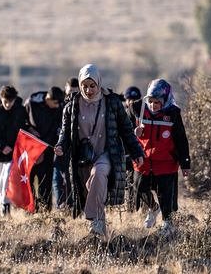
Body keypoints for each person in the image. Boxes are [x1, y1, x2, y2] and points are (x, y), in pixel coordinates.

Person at [54, 64, 145, 236]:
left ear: (99, 83)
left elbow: (126, 130)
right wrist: (60, 146)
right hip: (83, 157)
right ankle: (100, 228)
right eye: (85, 86)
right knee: (93, 187)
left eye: (92, 86)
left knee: (99, 174)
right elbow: (65, 132)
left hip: (106, 153)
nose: (88, 90)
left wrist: (137, 152)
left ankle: (94, 220)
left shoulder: (112, 102)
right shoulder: (72, 106)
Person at [132, 79, 191, 236]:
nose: (153, 105)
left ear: (165, 101)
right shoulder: (139, 109)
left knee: (165, 195)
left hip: (166, 162)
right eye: (150, 101)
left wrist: (185, 163)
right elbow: (128, 126)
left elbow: (181, 140)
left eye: (157, 102)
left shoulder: (172, 114)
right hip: (143, 160)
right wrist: (135, 130)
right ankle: (153, 208)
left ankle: (167, 223)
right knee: (139, 187)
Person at [0, 85, 28, 217]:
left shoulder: (20, 111)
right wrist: (1, 147)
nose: (8, 104)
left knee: (7, 178)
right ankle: (3, 208)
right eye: (5, 101)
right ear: (1, 98)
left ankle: (5, 205)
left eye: (10, 101)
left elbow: (24, 128)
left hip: (15, 152)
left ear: (15, 99)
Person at [24, 86, 65, 212]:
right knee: (29, 182)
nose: (58, 106)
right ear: (48, 99)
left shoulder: (59, 107)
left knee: (46, 183)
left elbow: (61, 125)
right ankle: (30, 210)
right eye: (55, 103)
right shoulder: (30, 104)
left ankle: (45, 211)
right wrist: (29, 129)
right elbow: (21, 122)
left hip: (48, 150)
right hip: (31, 149)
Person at [52, 77, 79, 210]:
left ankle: (70, 205)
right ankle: (59, 206)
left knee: (70, 179)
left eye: (75, 92)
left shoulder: (81, 107)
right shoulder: (59, 105)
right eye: (70, 93)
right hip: (58, 147)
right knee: (57, 180)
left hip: (73, 149)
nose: (72, 95)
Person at [122, 86, 142, 212]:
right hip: (126, 154)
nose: (132, 102)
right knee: (129, 183)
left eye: (135, 99)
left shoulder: (143, 115)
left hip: (140, 155)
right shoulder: (121, 114)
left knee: (138, 184)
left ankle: (140, 209)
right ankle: (131, 210)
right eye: (129, 99)